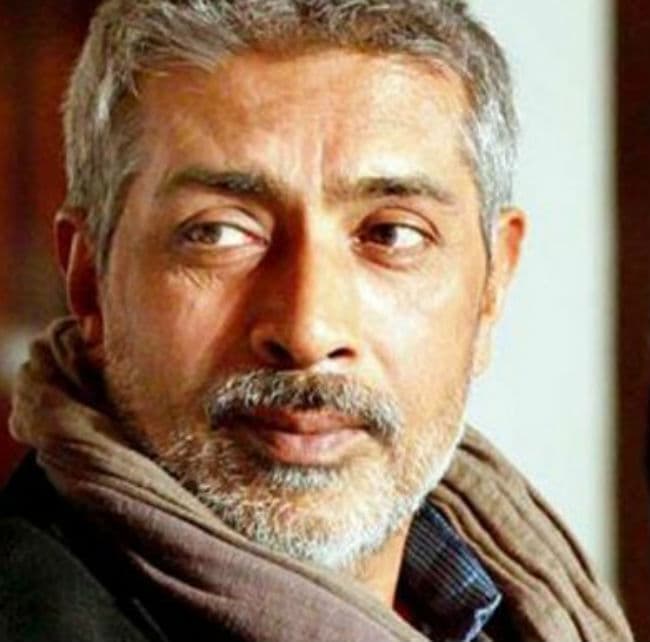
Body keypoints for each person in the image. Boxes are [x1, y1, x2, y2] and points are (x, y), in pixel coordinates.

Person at [0, 1, 633, 640]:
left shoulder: (522, 599)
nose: (309, 331)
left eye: (391, 234)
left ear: (493, 286)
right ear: (90, 283)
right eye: (218, 233)